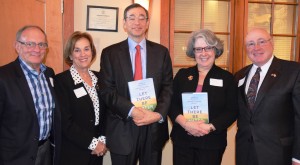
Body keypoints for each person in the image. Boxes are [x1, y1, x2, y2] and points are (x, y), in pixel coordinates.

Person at [99, 3, 173, 165]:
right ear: (124, 24)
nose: (137, 22)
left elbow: (168, 87)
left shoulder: (161, 53)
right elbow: (107, 90)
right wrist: (132, 111)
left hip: (153, 128)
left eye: (142, 18)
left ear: (147, 23)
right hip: (122, 126)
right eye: (131, 18)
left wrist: (157, 114)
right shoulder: (110, 53)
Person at [168, 29, 238, 165]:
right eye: (198, 49)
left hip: (211, 142)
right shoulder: (182, 75)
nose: (203, 53)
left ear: (215, 50)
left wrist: (210, 127)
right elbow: (171, 104)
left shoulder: (227, 78)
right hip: (183, 140)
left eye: (208, 48)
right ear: (193, 52)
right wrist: (186, 124)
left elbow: (232, 111)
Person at [235, 28, 300, 165]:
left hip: (279, 154)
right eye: (250, 44)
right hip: (245, 153)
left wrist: (297, 157)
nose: (256, 48)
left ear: (272, 43)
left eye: (261, 41)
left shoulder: (293, 71)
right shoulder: (240, 75)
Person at [0, 25, 61, 165]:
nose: (36, 49)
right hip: (15, 157)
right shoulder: (3, 77)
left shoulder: (49, 73)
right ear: (17, 46)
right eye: (30, 44)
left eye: (41, 44)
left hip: (46, 151)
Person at [54, 31, 107, 165]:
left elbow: (106, 112)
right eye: (77, 50)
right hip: (73, 151)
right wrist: (92, 143)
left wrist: (102, 139)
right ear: (70, 55)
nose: (83, 54)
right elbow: (65, 122)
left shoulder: (100, 78)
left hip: (96, 152)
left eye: (86, 49)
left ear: (92, 52)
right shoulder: (61, 81)